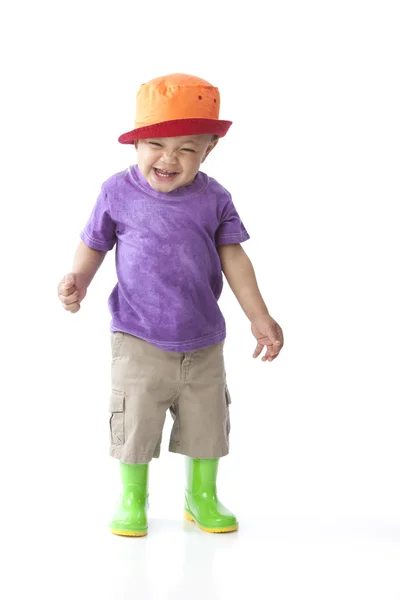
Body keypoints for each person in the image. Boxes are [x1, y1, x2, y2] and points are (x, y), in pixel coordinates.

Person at [57, 73, 284, 537]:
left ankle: (200, 496)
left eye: (186, 148)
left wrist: (260, 318)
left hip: (202, 338)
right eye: (155, 143)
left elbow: (234, 257)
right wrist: (78, 279)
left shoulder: (215, 198)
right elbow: (93, 243)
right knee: (135, 421)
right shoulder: (116, 191)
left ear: (208, 150)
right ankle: (132, 497)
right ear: (135, 145)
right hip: (137, 336)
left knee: (208, 423)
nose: (168, 158)